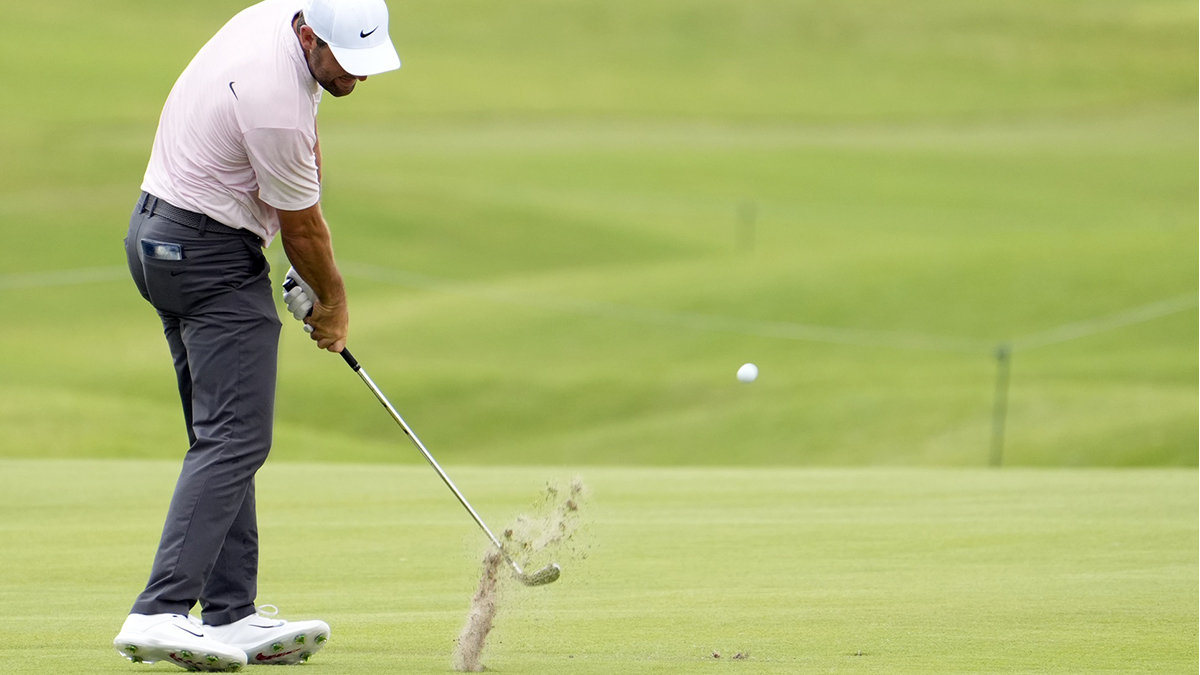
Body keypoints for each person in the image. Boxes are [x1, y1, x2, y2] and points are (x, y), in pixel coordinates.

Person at [114, 0, 400, 670]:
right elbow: (303, 227)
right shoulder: (275, 99)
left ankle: (231, 613)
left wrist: (290, 267)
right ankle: (159, 609)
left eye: (367, 66)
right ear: (309, 37)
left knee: (223, 434)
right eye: (345, 64)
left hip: (157, 235)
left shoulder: (281, 19)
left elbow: (297, 174)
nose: (355, 80)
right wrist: (332, 302)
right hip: (207, 251)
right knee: (237, 436)